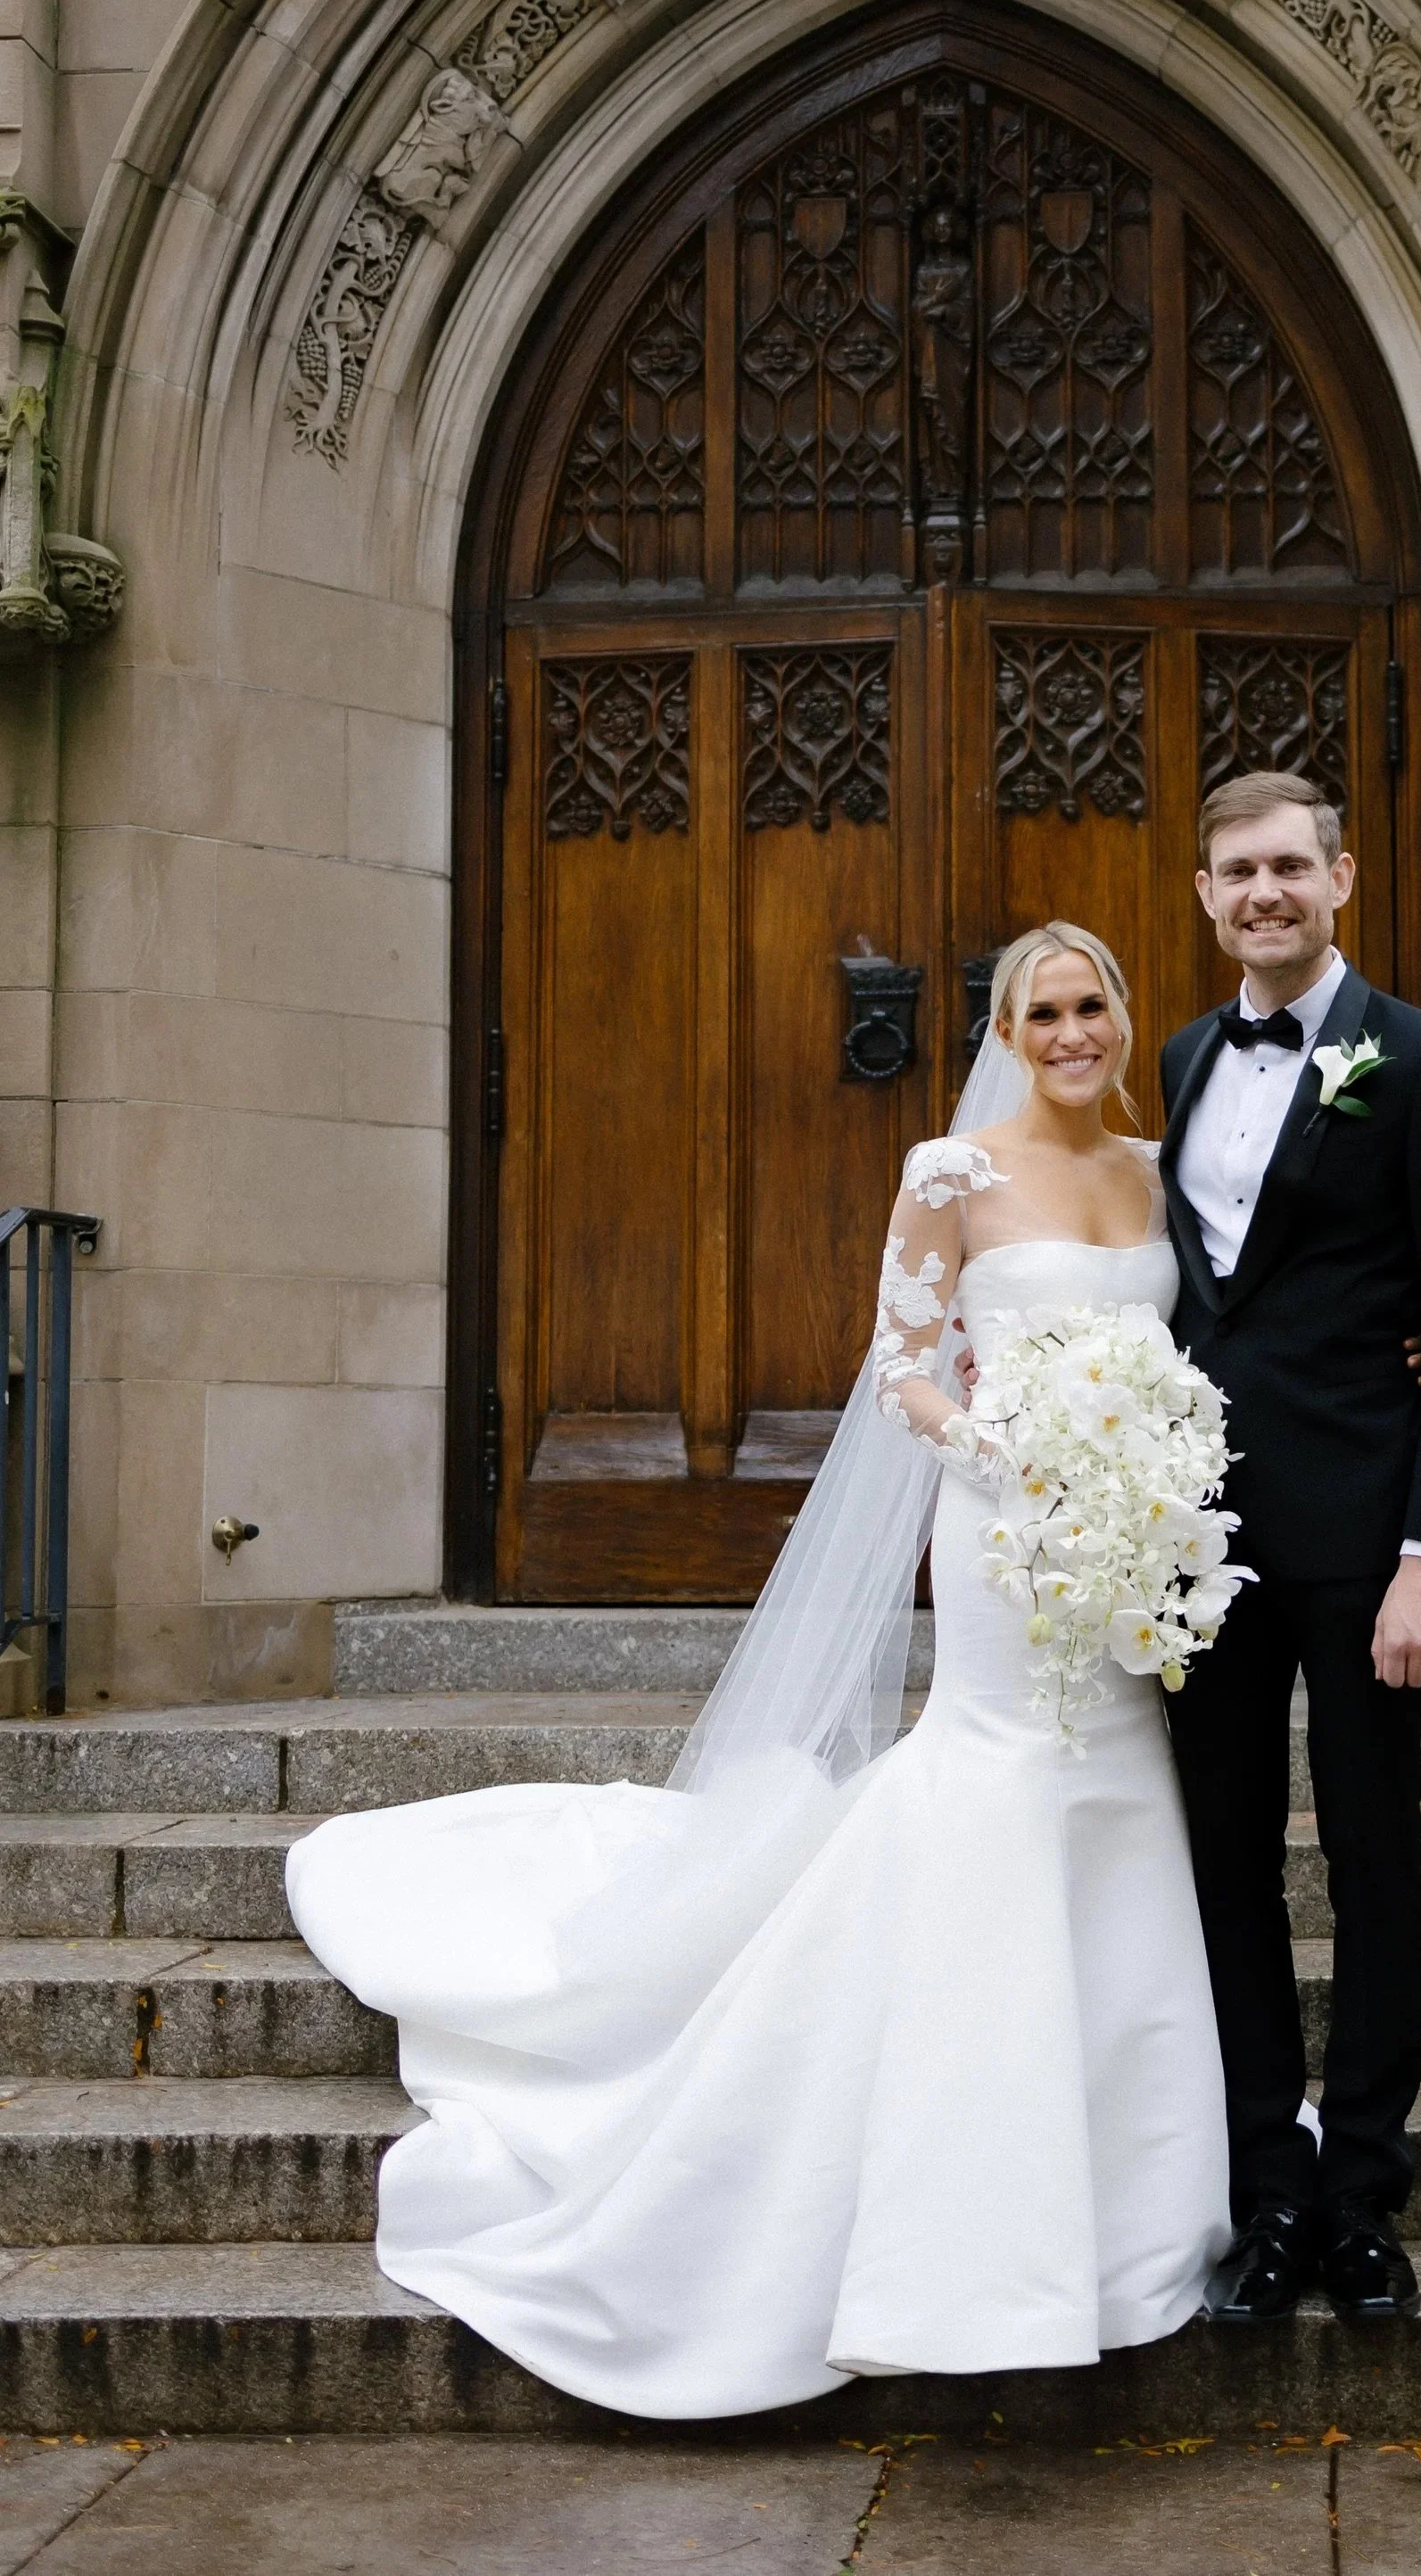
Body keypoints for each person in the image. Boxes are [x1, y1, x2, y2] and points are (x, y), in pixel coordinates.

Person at [285, 923, 1227, 2419]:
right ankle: (968, 2210)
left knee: (1118, 1808)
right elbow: (899, 1362)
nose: (1069, 1032)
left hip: (1127, 1550)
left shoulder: (1152, 1167)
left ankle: (1134, 2201)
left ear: (1125, 1016)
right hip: (1003, 1541)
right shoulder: (950, 1173)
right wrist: (991, 1447)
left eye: (1091, 1005)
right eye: (1041, 1010)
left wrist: (1156, 1474)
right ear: (1005, 1025)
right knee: (998, 1791)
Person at [1161, 771, 1421, 2325]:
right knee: (1222, 1868)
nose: (1266, 893)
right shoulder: (1175, 1059)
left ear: (1344, 880)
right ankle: (1266, 2193)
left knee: (1374, 1857)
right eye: (1239, 872)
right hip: (1196, 1542)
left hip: (1369, 1543)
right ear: (1206, 894)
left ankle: (1364, 2190)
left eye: (1291, 867)